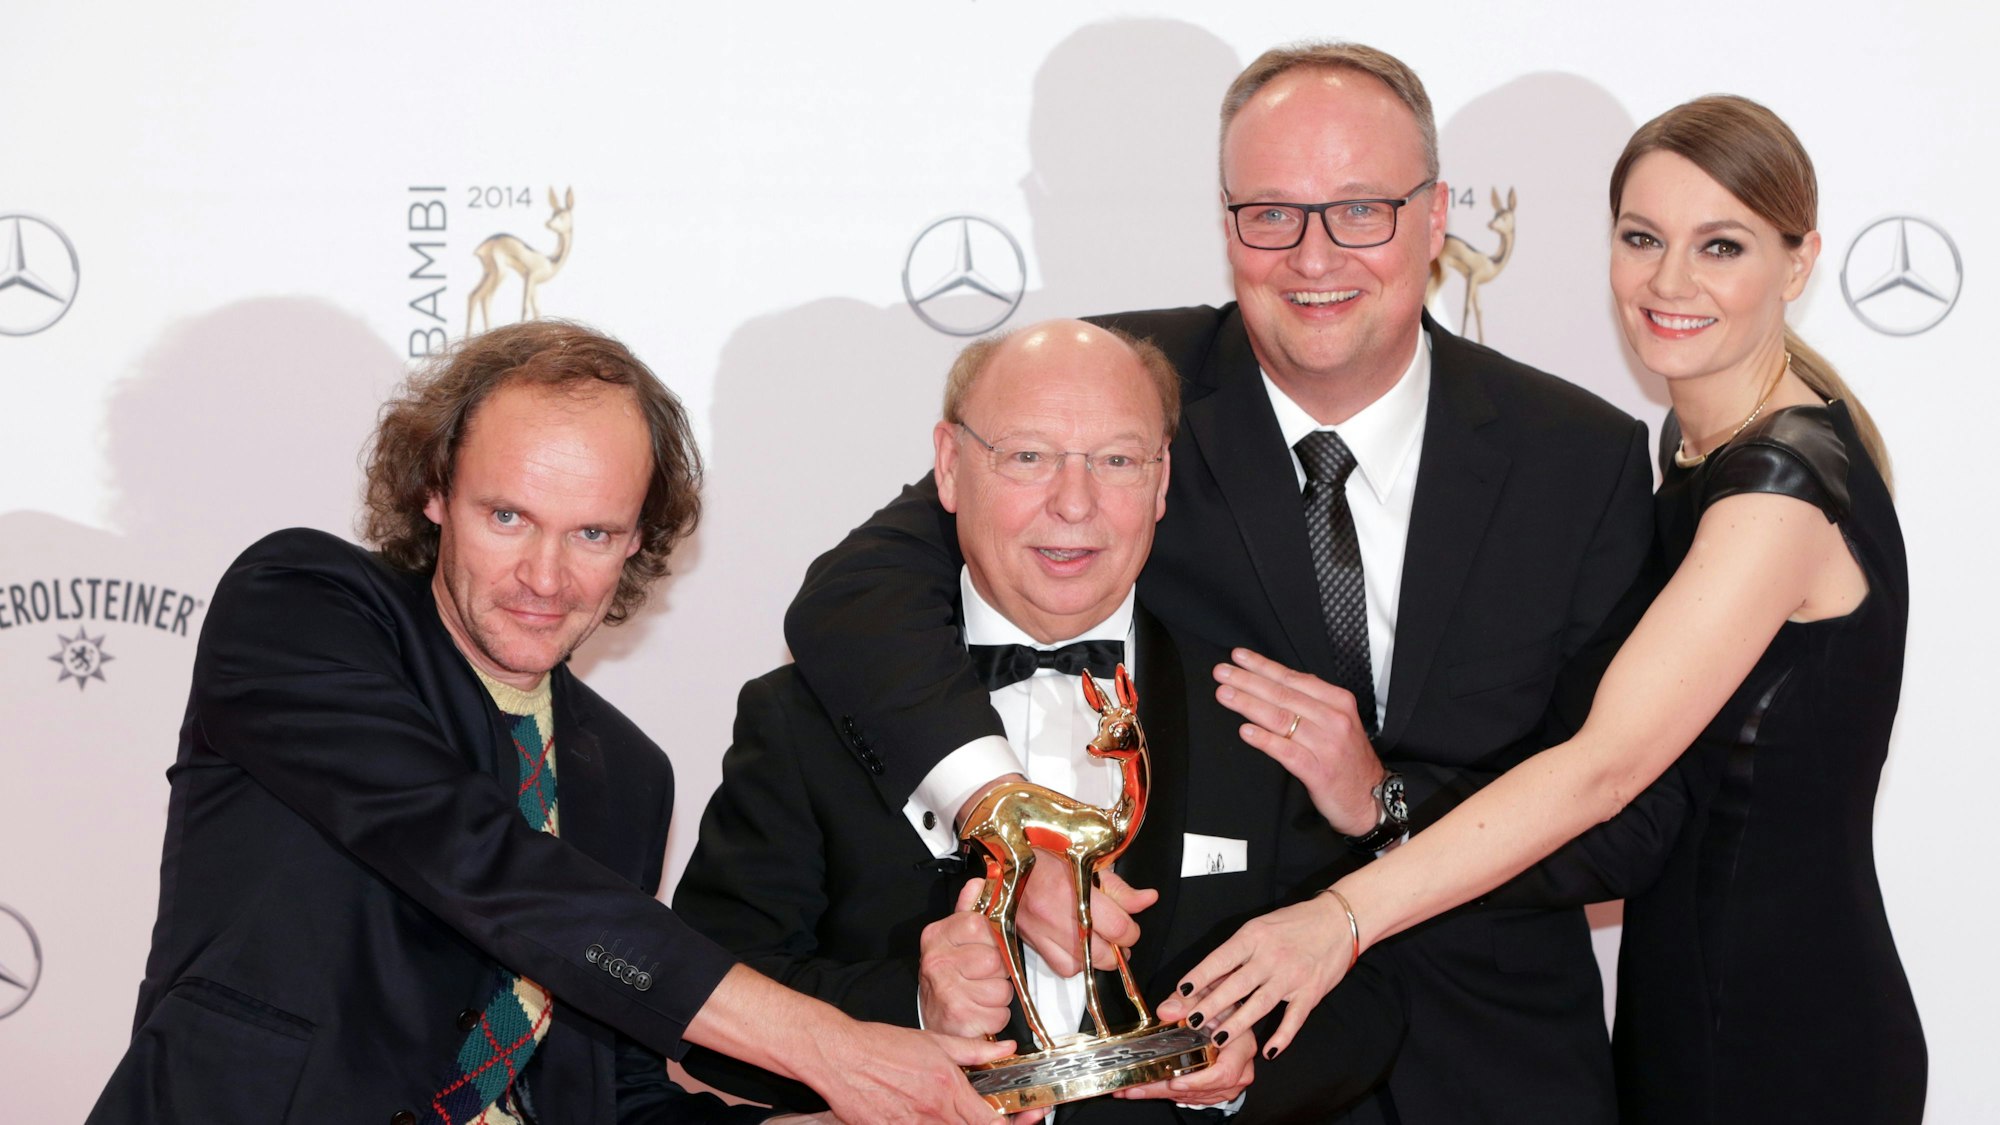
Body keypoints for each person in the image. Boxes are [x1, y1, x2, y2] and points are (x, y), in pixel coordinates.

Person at [785, 42, 1683, 1124]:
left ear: (1436, 216)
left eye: (1360, 209)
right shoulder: (1119, 394)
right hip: (1201, 1078)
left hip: (1486, 1065)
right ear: (1225, 226)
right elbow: (852, 600)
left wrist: (1380, 801)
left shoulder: (1572, 455)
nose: (1312, 256)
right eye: (1270, 213)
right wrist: (1007, 822)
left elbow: (1632, 821)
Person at [1166, 95, 1927, 1123]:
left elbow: (1602, 768)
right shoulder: (1697, 448)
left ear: (1795, 265)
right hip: (1688, 992)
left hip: (1770, 1025)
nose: (1669, 281)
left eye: (1720, 245)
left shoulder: (1775, 491)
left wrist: (1340, 914)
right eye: (1641, 238)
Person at [86, 321, 1011, 1125]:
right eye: (507, 515)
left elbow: (616, 1092)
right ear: (435, 490)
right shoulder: (302, 606)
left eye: (593, 534)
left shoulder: (629, 773)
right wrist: (829, 1046)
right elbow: (480, 862)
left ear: (640, 539)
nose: (545, 575)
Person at [674, 320, 1405, 1122]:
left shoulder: (1263, 710)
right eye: (1028, 456)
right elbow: (700, 998)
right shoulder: (806, 718)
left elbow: (1372, 997)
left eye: (1118, 460)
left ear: (1163, 482)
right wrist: (912, 1004)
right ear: (950, 467)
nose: (1075, 502)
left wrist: (1246, 1065)